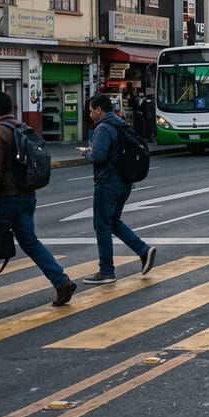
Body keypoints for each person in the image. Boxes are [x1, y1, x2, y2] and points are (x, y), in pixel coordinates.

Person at [0, 91, 76, 310]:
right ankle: (61, 281)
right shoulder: (23, 128)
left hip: (5, 198)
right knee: (30, 241)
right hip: (27, 195)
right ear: (11, 108)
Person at [80, 95, 156, 284]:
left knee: (101, 225)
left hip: (107, 182)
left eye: (91, 110)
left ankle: (106, 271)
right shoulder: (120, 124)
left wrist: (86, 153)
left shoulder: (103, 127)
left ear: (99, 110)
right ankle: (143, 251)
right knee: (112, 221)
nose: (90, 115)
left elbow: (98, 156)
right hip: (124, 181)